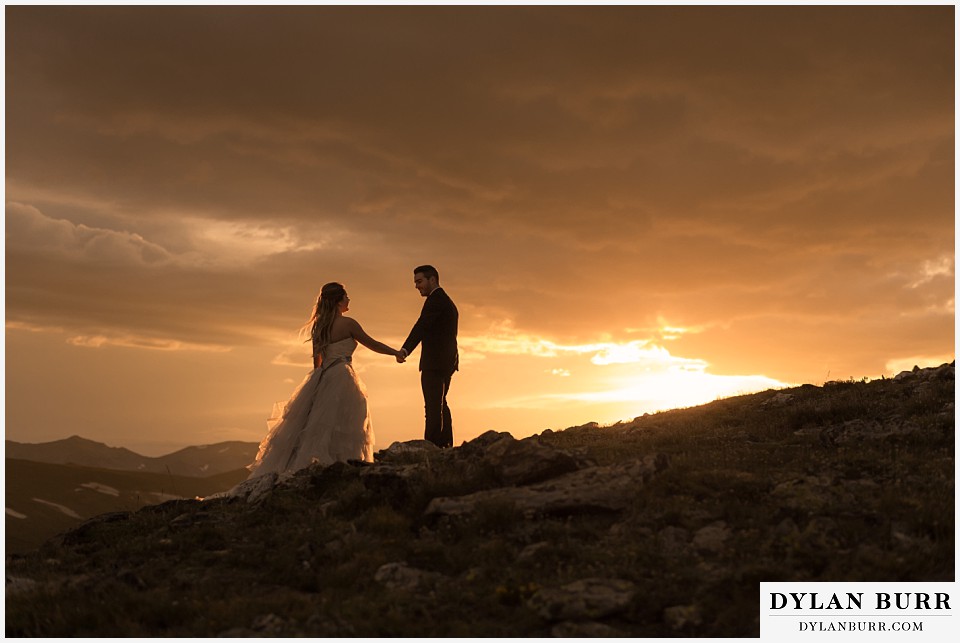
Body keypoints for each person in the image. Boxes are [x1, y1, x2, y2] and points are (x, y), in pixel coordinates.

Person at [246, 282, 404, 478]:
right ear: (338, 301)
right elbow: (372, 344)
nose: (349, 299)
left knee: (319, 427)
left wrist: (317, 388)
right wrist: (396, 352)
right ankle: (345, 469)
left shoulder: (319, 327)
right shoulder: (349, 324)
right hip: (343, 377)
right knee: (347, 425)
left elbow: (317, 364)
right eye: (346, 296)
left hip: (325, 376)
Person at [400, 265, 459, 448]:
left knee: (433, 407)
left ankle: (432, 447)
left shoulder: (436, 301)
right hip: (445, 362)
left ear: (432, 279)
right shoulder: (444, 300)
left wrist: (405, 350)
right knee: (441, 404)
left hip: (435, 363)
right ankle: (445, 445)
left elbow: (421, 326)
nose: (417, 286)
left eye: (419, 281)